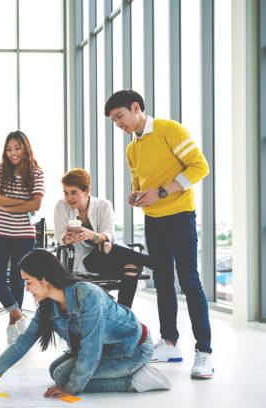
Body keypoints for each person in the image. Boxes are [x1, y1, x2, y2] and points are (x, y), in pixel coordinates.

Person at [0, 249, 171, 399]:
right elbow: (23, 343)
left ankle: (135, 380)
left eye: (28, 282)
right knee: (55, 371)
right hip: (108, 349)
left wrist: (72, 390)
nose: (26, 289)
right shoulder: (49, 305)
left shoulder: (88, 295)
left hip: (133, 350)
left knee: (64, 378)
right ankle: (116, 375)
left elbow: (91, 351)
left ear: (44, 279)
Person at [105, 89, 213, 379]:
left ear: (136, 107)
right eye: (114, 121)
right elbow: (142, 184)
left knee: (189, 281)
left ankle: (204, 352)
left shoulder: (169, 129)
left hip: (180, 217)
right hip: (153, 221)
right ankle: (169, 343)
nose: (119, 125)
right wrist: (137, 196)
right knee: (163, 281)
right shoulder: (132, 149)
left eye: (120, 117)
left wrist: (163, 191)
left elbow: (200, 167)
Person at [54, 168, 155, 308]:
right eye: (66, 193)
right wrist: (68, 238)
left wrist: (92, 235)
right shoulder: (61, 206)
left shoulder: (103, 205)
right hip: (86, 260)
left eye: (73, 193)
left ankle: (123, 314)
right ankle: (150, 261)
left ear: (87, 190)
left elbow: (109, 235)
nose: (69, 197)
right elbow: (60, 236)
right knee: (113, 250)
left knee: (128, 264)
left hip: (110, 257)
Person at [0, 130, 44, 344]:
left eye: (17, 148)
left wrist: (7, 206)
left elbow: (36, 204)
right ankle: (19, 316)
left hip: (23, 234)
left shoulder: (37, 173)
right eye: (9, 149)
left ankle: (13, 326)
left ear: (25, 148)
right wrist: (21, 204)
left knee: (18, 280)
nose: (13, 153)